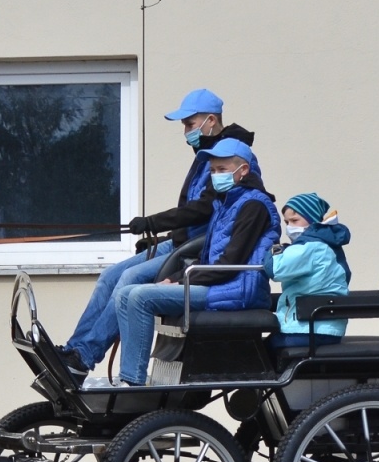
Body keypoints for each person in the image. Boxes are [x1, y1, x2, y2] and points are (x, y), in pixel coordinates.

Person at [56, 88, 256, 381]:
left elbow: (204, 210)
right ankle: (76, 353)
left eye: (190, 124)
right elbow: (194, 210)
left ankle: (85, 357)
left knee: (128, 281)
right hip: (179, 243)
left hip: (193, 250)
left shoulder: (230, 155)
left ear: (210, 120)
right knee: (109, 276)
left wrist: (153, 222)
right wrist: (162, 238)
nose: (186, 131)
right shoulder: (208, 155)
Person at [112, 139, 280, 385]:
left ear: (243, 171)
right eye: (212, 171)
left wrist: (183, 283)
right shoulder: (224, 204)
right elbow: (207, 259)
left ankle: (133, 382)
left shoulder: (254, 205)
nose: (215, 176)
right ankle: (128, 376)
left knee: (140, 297)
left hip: (238, 290)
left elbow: (229, 263)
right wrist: (176, 279)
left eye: (222, 170)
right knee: (125, 294)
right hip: (218, 284)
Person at [266, 192, 351, 349]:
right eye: (286, 222)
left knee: (261, 351)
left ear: (312, 219)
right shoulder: (328, 244)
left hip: (308, 329)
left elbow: (276, 269)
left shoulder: (310, 246)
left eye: (295, 220)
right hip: (325, 328)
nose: (290, 227)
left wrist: (273, 250)